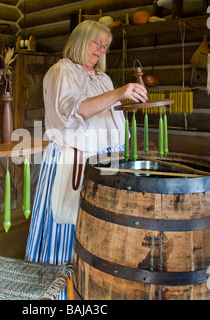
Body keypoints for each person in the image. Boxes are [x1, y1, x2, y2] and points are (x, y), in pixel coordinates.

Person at [24, 20, 147, 298]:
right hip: (72, 159)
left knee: (95, 223)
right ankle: (56, 291)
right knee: (67, 220)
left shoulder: (102, 78)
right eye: (96, 43)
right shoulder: (62, 71)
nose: (101, 49)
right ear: (81, 41)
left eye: (105, 46)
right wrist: (119, 93)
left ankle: (87, 286)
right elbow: (76, 110)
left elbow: (110, 116)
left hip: (103, 161)